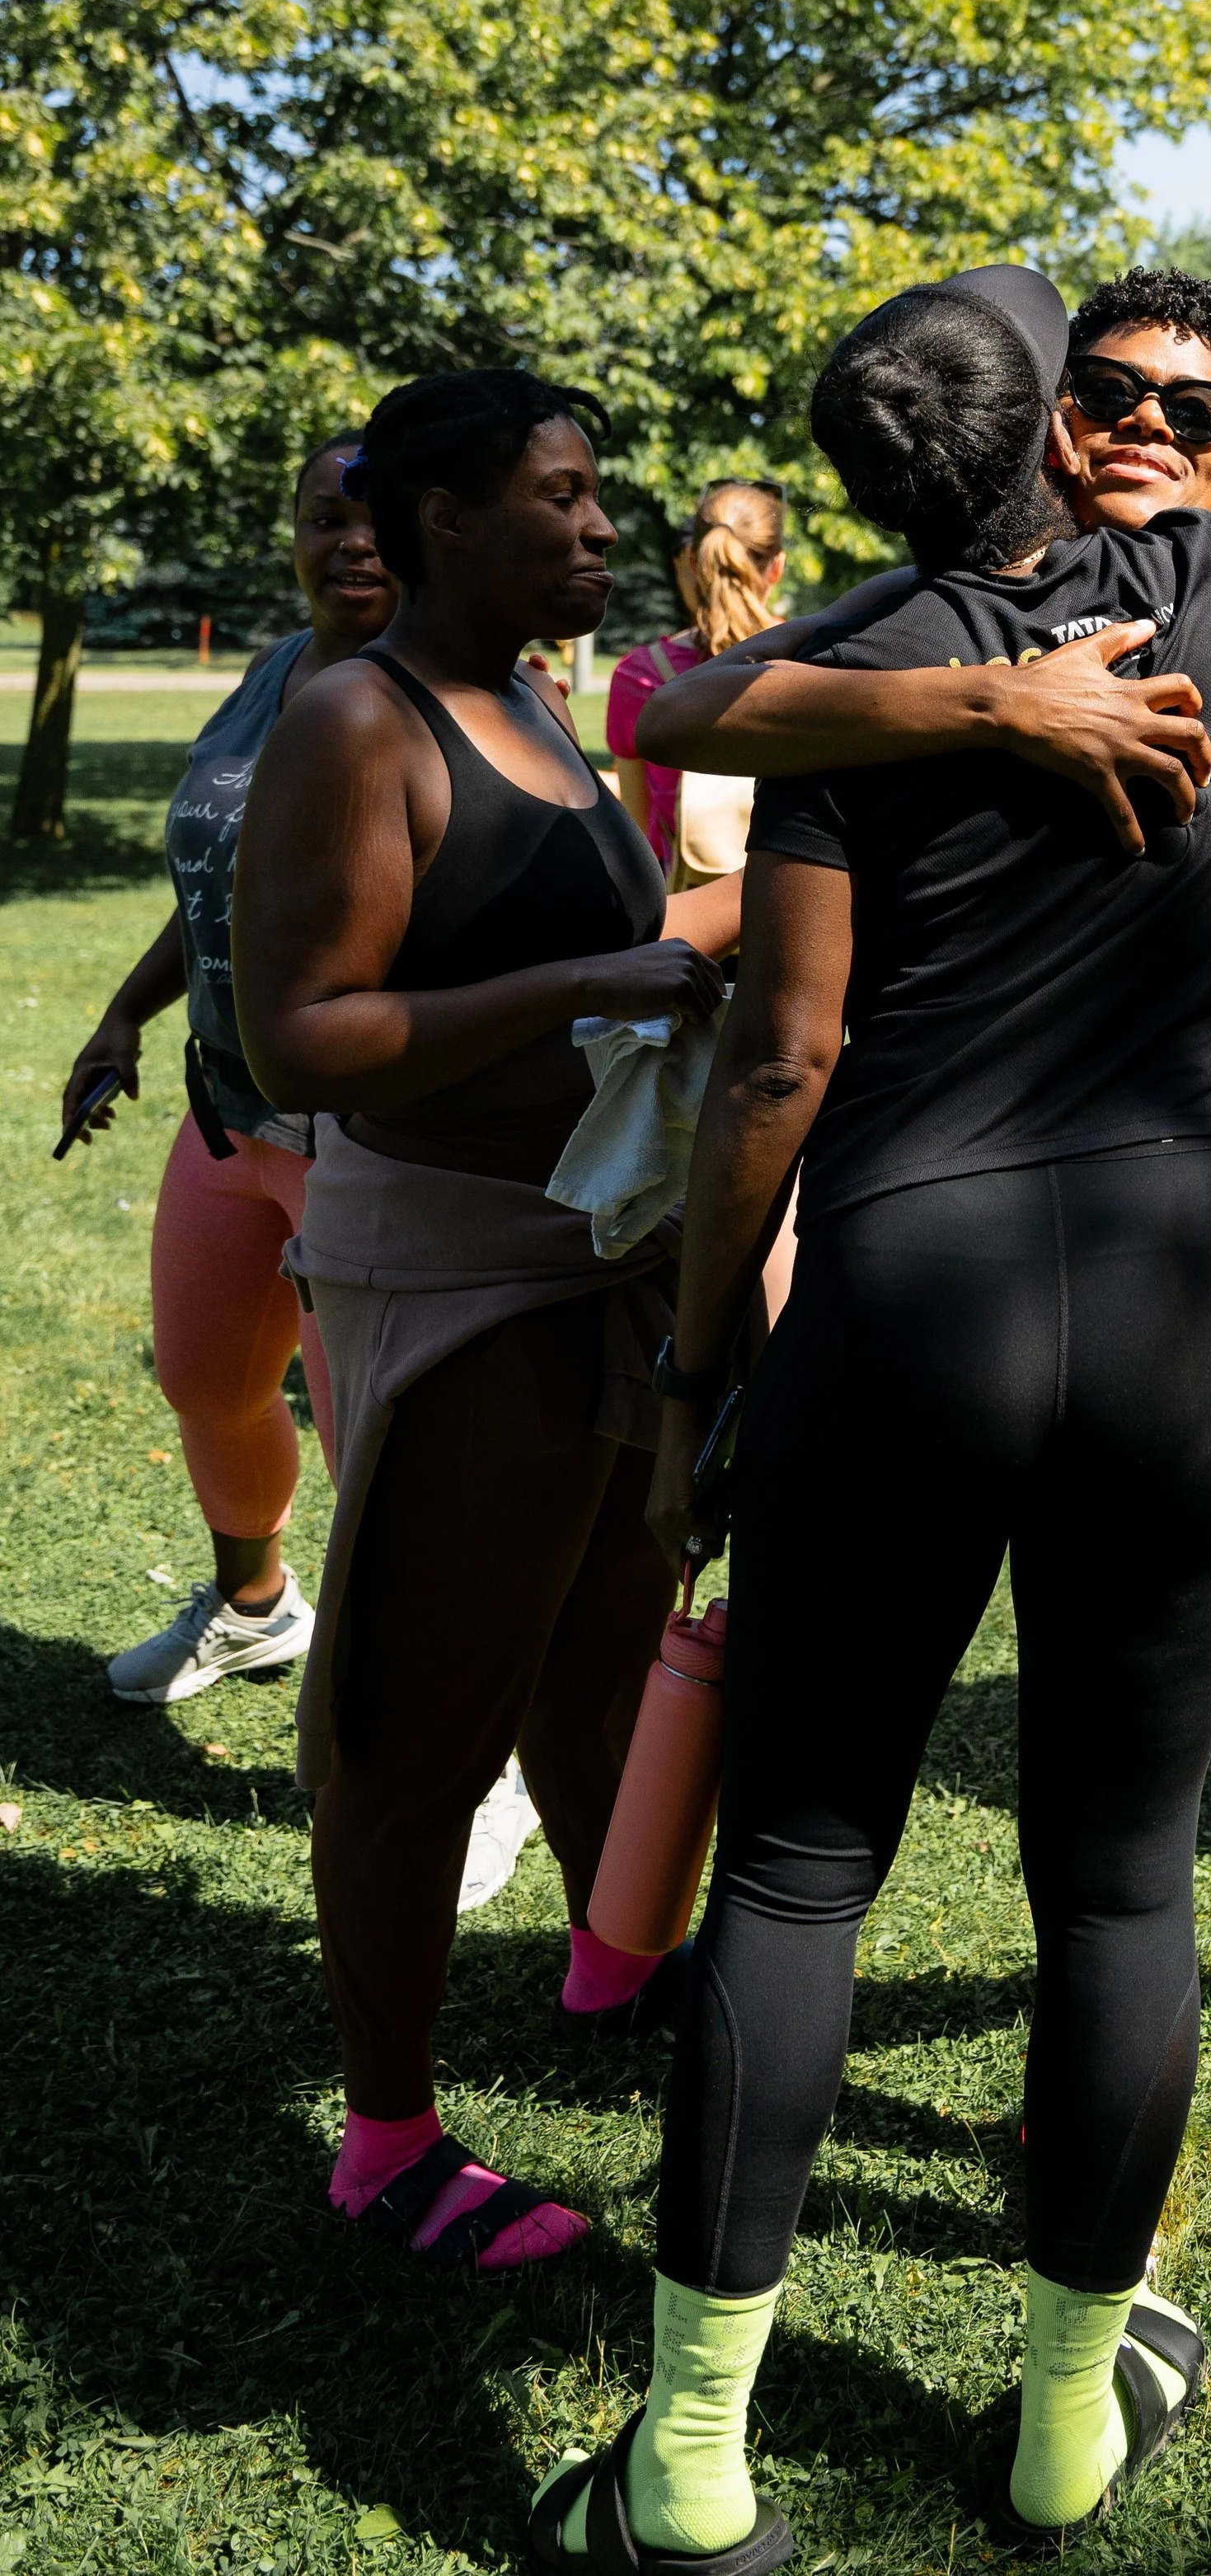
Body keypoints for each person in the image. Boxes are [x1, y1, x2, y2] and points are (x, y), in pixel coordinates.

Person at [528, 268, 1211, 2567]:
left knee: (800, 1863)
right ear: (1060, 433)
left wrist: (706, 1361)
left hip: (909, 1298)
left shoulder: (846, 687)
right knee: (1120, 1874)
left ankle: (691, 2467)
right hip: (1191, 1302)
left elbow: (778, 1066)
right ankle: (1056, 2422)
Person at [636, 265, 1211, 2084]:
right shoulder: (960, 633)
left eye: (1190, 409)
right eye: (1109, 391)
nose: (1144, 425)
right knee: (1102, 1659)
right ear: (1045, 419)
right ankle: (1106, 2034)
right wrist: (985, 712)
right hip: (1082, 1163)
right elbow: (753, 752)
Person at [233, 369, 734, 2274]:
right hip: (459, 1275)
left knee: (593, 1663)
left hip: (594, 1257)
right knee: (413, 1733)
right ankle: (387, 2141)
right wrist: (596, 975)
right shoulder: (358, 719)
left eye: (602, 494)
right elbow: (313, 1036)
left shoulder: (522, 694)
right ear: (449, 518)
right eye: (566, 494)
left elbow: (575, 943)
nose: (605, 525)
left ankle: (625, 1977)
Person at [61, 434, 386, 1704]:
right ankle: (256, 1605)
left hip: (362, 1133)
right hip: (226, 1105)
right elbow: (218, 880)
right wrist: (125, 1013)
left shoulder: (449, 687)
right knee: (206, 1377)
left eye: (374, 519)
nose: (347, 541)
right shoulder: (272, 671)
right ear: (294, 534)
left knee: (378, 1443)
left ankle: (472, 1736)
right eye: (322, 518)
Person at [609, 481, 786, 884]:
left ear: (692, 559)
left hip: (687, 916)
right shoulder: (817, 659)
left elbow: (638, 832)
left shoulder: (638, 675)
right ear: (778, 566)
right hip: (790, 907)